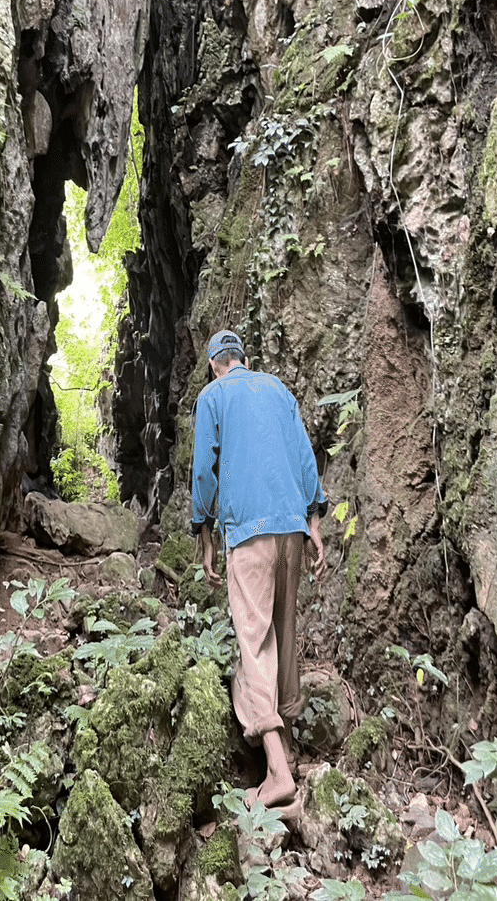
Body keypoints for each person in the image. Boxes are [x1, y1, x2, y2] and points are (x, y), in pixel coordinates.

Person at [191, 329, 328, 809]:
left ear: (214, 366)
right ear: (245, 359)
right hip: (291, 525)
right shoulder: (278, 390)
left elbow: (205, 471)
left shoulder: (212, 397)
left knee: (254, 640)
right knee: (284, 634)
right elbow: (304, 458)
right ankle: (287, 744)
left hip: (248, 529)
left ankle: (277, 772)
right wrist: (314, 521)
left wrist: (203, 530)